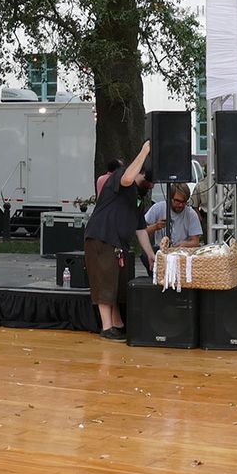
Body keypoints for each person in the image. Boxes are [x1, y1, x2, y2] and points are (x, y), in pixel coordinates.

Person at [83, 141, 157, 341]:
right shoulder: (120, 177)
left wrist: (150, 254)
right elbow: (127, 178)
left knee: (116, 283)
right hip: (102, 237)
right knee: (106, 280)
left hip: (119, 243)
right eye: (147, 180)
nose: (149, 186)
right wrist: (144, 151)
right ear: (140, 173)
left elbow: (140, 227)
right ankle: (107, 328)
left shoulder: (138, 196)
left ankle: (117, 323)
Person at [145, 183, 203, 248]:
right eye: (177, 201)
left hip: (182, 252)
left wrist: (184, 244)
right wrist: (155, 226)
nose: (181, 205)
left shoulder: (191, 214)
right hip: (161, 250)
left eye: (184, 202)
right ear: (170, 198)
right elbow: (142, 232)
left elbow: (195, 242)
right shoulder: (158, 208)